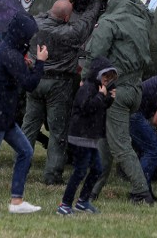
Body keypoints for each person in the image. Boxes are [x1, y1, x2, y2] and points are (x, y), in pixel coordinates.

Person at [22, 0, 106, 185]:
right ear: (67, 17)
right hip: (59, 84)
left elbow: (48, 14)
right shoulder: (69, 33)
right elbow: (87, 21)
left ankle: (22, 167)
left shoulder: (34, 24)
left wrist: (64, 2)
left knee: (29, 127)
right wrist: (97, 0)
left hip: (35, 80)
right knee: (58, 132)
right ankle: (52, 175)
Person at [0, 12, 48, 218]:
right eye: (28, 37)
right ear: (21, 34)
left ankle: (16, 200)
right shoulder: (10, 55)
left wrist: (26, 63)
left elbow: (16, 73)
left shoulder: (7, 50)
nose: (30, 41)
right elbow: (30, 84)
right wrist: (40, 62)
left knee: (26, 152)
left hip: (3, 116)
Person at [84, 0, 155, 204]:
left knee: (120, 146)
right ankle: (93, 189)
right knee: (105, 142)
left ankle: (142, 192)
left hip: (117, 92)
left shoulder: (110, 21)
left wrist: (86, 80)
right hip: (134, 90)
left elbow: (95, 53)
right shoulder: (142, 23)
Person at [56, 56, 117, 216]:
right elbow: (86, 107)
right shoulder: (88, 88)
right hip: (80, 137)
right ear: (98, 74)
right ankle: (65, 204)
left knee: (97, 168)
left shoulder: (97, 89)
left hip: (90, 138)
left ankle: (82, 201)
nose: (107, 80)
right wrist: (101, 96)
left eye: (110, 78)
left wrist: (108, 99)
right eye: (105, 76)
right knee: (80, 171)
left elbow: (99, 108)